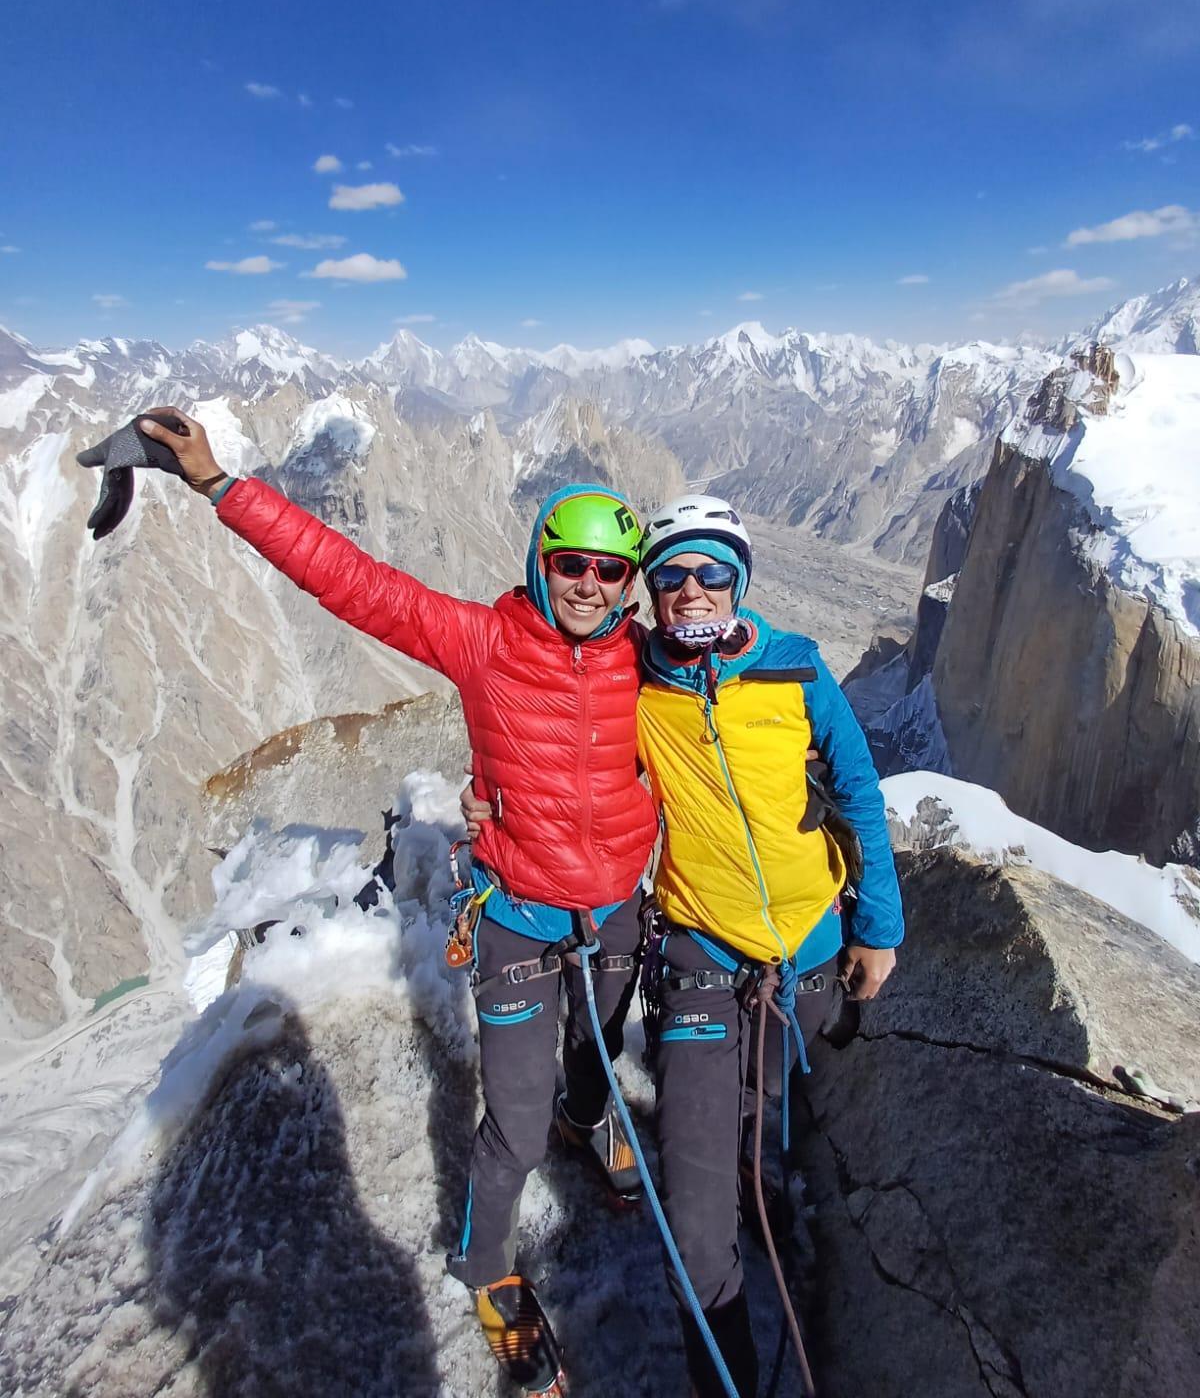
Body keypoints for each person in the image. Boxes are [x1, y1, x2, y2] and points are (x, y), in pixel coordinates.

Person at [131, 408, 658, 1396]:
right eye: (571, 564)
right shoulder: (484, 642)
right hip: (519, 919)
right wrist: (218, 484)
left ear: (631, 582)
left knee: (595, 1060)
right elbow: (353, 582)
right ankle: (487, 1266)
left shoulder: (648, 657)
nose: (590, 585)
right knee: (513, 1121)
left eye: (610, 570)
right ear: (541, 564)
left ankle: (588, 1120)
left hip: (618, 913)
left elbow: (730, 673)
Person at [635, 493, 903, 1398]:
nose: (692, 590)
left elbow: (859, 789)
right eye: (671, 575)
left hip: (810, 952)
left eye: (712, 572)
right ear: (651, 592)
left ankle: (768, 1190)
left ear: (739, 581)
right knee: (694, 1216)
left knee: (770, 1110)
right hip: (702, 957)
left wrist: (878, 929)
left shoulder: (797, 669)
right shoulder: (634, 682)